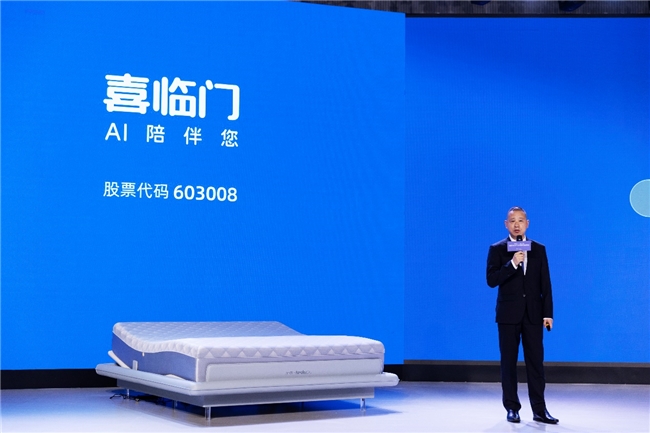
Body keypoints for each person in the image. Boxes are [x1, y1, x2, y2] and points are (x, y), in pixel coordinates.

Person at [486, 206, 559, 424]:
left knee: (535, 363)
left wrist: (548, 313)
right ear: (506, 224)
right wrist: (512, 264)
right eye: (512, 221)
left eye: (520, 220)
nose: (516, 224)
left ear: (527, 223)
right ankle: (512, 408)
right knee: (508, 363)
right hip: (508, 315)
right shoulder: (497, 249)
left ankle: (540, 409)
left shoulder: (538, 249)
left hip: (533, 315)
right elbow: (491, 280)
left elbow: (545, 284)